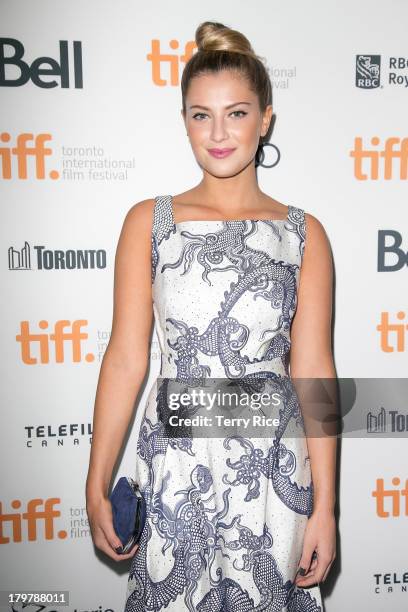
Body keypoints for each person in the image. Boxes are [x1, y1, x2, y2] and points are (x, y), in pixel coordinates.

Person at [86, 20, 337, 612]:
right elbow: (125, 357)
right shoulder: (149, 223)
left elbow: (316, 371)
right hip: (177, 466)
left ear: (266, 118)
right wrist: (95, 482)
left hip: (275, 469)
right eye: (201, 115)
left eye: (237, 113)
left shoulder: (305, 235)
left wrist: (325, 505)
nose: (218, 133)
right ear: (184, 121)